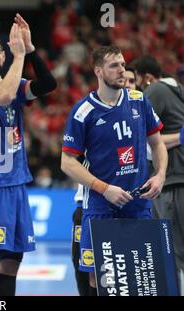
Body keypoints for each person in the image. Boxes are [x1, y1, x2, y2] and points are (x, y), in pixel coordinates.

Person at [61, 46, 168, 294]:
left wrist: (160, 175)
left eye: (123, 64)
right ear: (98, 71)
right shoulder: (83, 111)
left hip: (138, 202)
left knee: (141, 277)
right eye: (114, 65)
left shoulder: (139, 100)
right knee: (101, 280)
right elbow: (67, 162)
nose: (122, 70)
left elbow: (157, 143)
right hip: (100, 205)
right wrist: (104, 188)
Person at [0, 13, 56, 296]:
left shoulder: (14, 85)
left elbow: (48, 84)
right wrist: (18, 54)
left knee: (11, 262)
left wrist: (30, 50)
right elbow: (5, 96)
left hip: (16, 183)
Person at [70, 67, 136, 296]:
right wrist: (104, 188)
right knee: (90, 272)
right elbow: (69, 161)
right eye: (124, 79)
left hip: (133, 205)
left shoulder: (139, 112)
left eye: (131, 81)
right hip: (92, 204)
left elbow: (155, 148)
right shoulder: (89, 112)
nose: (127, 84)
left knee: (132, 273)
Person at [132, 55, 184, 290]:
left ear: (148, 78)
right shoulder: (178, 90)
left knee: (171, 252)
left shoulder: (155, 90)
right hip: (176, 181)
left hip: (172, 183)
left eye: (138, 83)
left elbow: (140, 138)